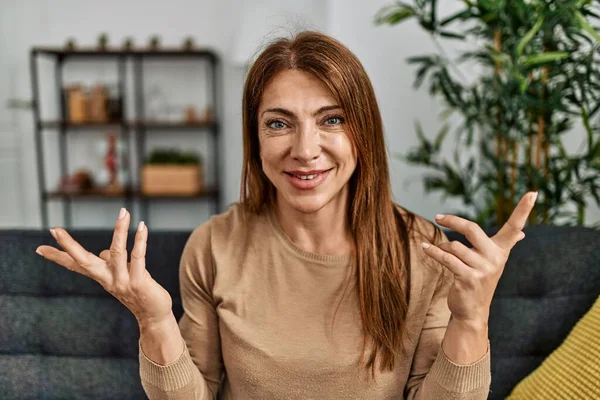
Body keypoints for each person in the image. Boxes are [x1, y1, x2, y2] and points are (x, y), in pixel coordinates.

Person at [35, 31, 536, 399]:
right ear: (255, 138)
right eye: (279, 123)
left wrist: (472, 318)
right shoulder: (214, 245)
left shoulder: (424, 251)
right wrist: (155, 319)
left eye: (331, 120)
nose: (305, 149)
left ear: (364, 132)